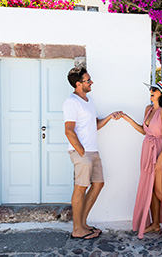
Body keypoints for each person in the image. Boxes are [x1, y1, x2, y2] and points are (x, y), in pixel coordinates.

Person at [122, 81, 162, 240]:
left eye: (154, 90)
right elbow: (143, 130)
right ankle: (156, 224)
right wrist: (126, 118)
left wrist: (159, 159)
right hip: (146, 151)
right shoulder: (148, 109)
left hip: (159, 152)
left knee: (159, 191)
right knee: (150, 190)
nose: (151, 91)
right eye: (150, 89)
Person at [63, 67, 122, 240]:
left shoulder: (88, 100)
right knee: (80, 188)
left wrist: (110, 117)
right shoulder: (71, 102)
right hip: (81, 153)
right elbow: (68, 130)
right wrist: (81, 152)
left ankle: (82, 223)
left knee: (98, 183)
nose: (91, 82)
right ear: (78, 84)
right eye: (88, 80)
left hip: (93, 151)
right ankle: (77, 229)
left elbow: (94, 124)